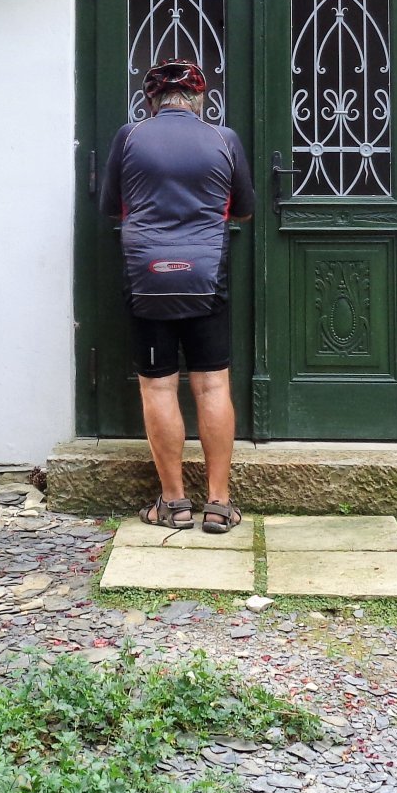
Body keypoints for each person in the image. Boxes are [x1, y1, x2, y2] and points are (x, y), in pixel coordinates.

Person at [97, 58, 256, 534]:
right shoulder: (224, 140)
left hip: (148, 277)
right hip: (205, 278)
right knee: (211, 386)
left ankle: (172, 504)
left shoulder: (128, 137)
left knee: (159, 385)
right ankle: (219, 504)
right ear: (200, 98)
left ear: (150, 100)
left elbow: (110, 207)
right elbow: (244, 210)